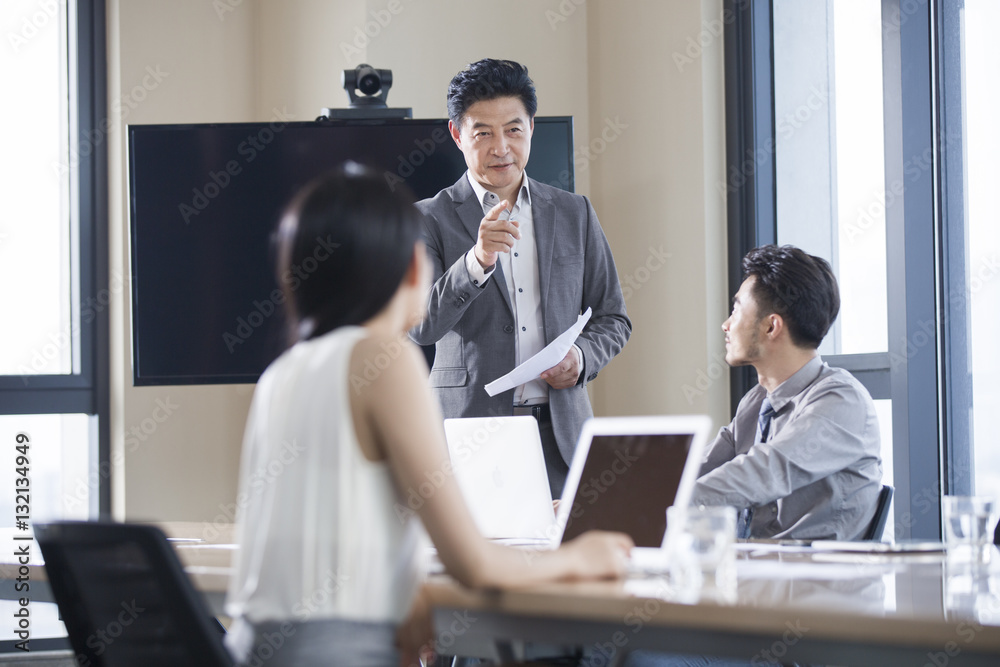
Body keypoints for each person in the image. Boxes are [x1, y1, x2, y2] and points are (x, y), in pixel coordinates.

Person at [223, 164, 633, 667]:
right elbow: (474, 565)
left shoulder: (283, 373)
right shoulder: (383, 361)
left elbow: (352, 517)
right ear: (408, 269)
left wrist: (408, 585)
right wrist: (581, 559)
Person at [410, 59, 631, 498]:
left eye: (513, 129)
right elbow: (421, 326)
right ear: (458, 136)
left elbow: (613, 318)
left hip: (561, 432)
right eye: (483, 133)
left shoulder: (574, 212)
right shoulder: (426, 218)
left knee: (566, 563)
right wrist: (477, 260)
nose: (501, 148)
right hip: (469, 433)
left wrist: (582, 359)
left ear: (532, 127)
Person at [691, 244, 883, 540]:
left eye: (736, 310)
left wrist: (664, 504)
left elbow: (763, 471)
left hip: (818, 581)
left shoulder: (842, 400)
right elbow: (702, 467)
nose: (726, 325)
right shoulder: (757, 401)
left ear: (771, 327)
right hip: (757, 575)